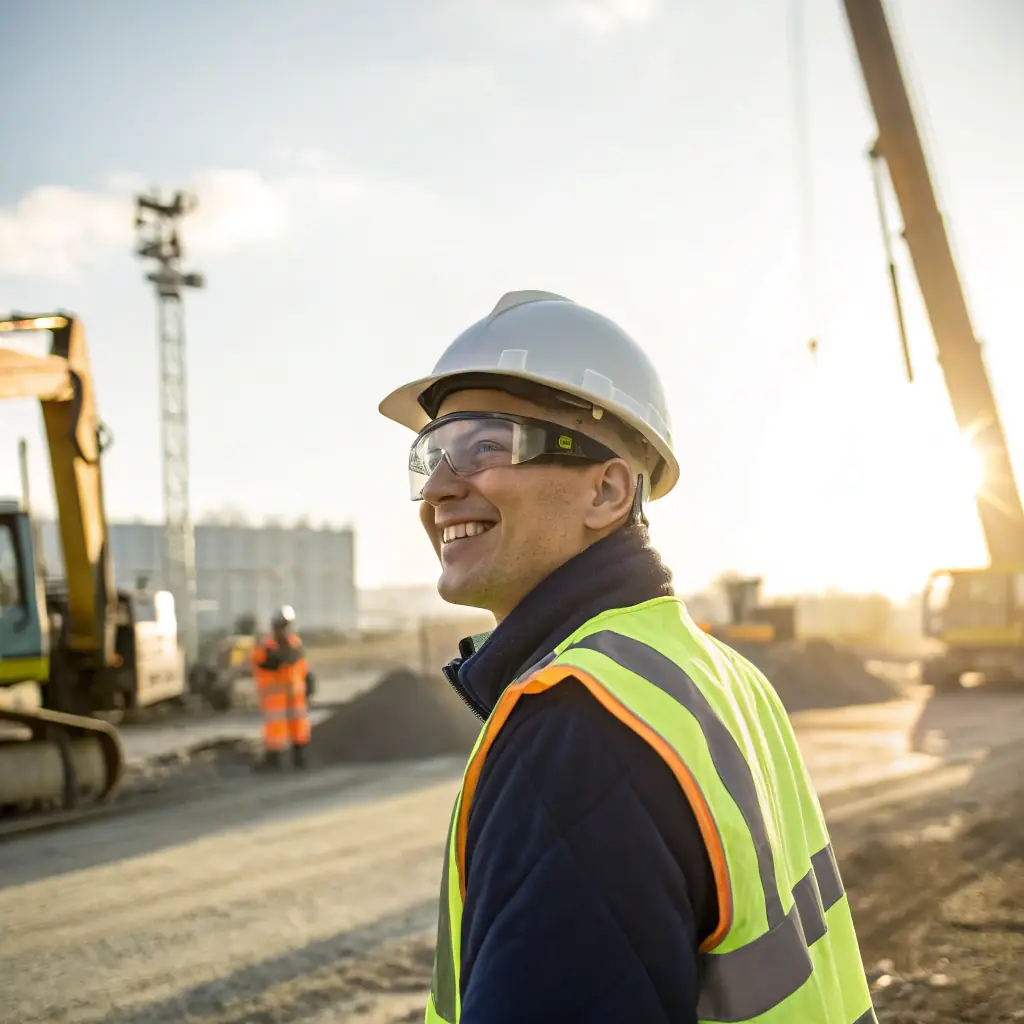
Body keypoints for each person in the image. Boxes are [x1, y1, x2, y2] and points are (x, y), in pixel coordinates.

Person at [378, 291, 876, 1023]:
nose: (442, 489)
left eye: (486, 445)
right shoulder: (718, 673)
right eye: (433, 456)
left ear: (607, 490)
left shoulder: (580, 726)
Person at [251, 604, 312, 770]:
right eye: (280, 626)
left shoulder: (295, 645)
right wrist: (277, 654)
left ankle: (299, 758)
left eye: (285, 626)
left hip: (294, 697)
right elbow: (266, 664)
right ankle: (273, 760)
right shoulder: (266, 647)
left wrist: (308, 682)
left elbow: (300, 666)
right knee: (275, 730)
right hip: (275, 698)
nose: (283, 630)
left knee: (298, 727)